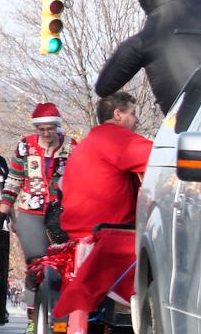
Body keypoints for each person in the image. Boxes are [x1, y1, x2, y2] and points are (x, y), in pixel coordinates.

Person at [0, 102, 77, 334]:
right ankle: (33, 322)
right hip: (31, 210)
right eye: (41, 129)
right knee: (36, 264)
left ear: (58, 128)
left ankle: (63, 315)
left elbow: (82, 178)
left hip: (61, 212)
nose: (45, 134)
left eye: (50, 129)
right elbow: (14, 180)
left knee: (63, 264)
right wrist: (1, 215)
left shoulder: (71, 147)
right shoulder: (25, 146)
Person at [60, 92, 152, 240]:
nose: (137, 120)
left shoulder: (89, 141)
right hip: (110, 237)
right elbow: (162, 160)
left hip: (79, 234)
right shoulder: (116, 138)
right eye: (133, 114)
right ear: (118, 115)